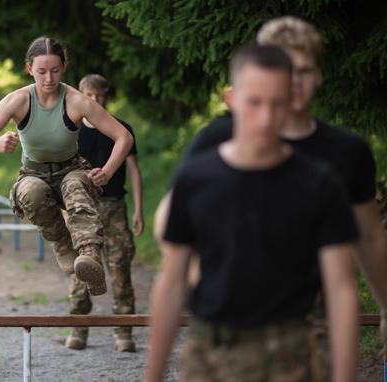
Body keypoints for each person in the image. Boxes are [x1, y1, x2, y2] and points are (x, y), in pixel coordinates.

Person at [154, 16, 387, 381]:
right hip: (228, 321)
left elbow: (370, 238)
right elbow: (170, 224)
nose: (293, 81)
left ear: (319, 76)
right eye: (283, 67)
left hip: (310, 321)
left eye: (304, 70)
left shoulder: (344, 153)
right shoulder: (217, 139)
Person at [0, 36, 132, 296]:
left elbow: (124, 136)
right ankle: (63, 245)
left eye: (55, 71)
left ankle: (89, 256)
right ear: (29, 68)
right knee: (30, 191)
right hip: (34, 173)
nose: (48, 79)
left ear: (64, 67)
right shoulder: (18, 100)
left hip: (72, 168)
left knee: (75, 184)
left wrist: (109, 170)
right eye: (41, 71)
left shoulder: (77, 101)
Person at [64, 74, 143, 352]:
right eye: (90, 95)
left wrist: (139, 211)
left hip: (115, 207)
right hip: (83, 208)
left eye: (100, 95)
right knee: (82, 268)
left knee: (120, 268)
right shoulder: (71, 130)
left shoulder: (121, 129)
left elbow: (134, 171)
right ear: (81, 95)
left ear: (107, 95)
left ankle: (124, 332)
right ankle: (78, 329)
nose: (95, 100)